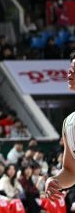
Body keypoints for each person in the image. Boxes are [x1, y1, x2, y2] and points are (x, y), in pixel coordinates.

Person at [44, 55, 75, 200]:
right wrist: (54, 180)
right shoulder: (69, 123)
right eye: (70, 68)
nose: (70, 72)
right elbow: (71, 171)